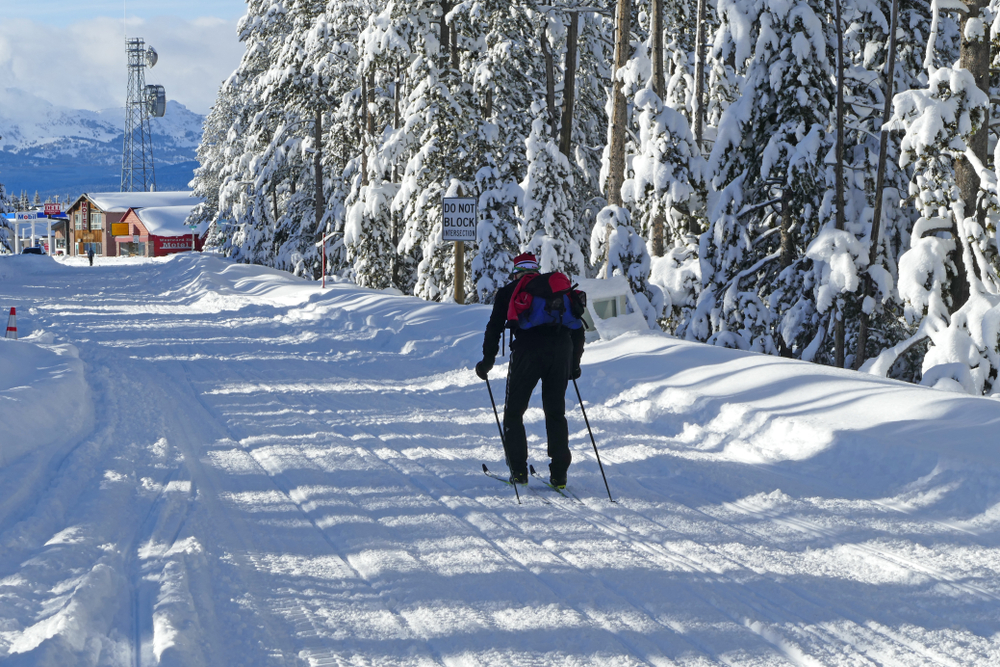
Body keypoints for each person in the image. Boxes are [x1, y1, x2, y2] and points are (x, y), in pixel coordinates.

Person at [475, 253, 585, 488]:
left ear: (517, 272)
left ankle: (519, 472)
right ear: (535, 271)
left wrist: (487, 362)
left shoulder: (509, 292)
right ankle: (559, 475)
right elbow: (577, 328)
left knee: (514, 412)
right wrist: (574, 364)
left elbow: (494, 328)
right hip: (562, 349)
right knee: (555, 411)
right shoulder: (558, 290)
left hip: (528, 350)